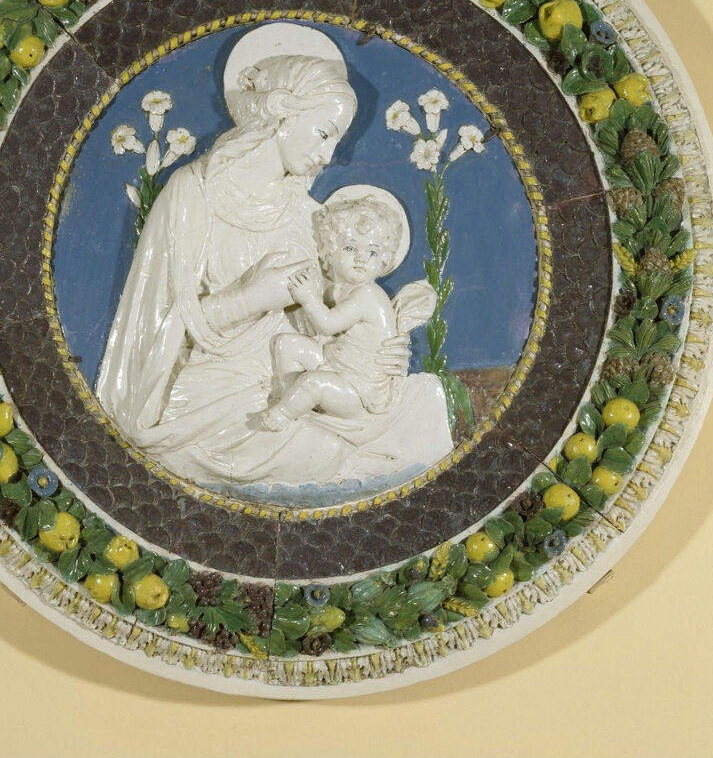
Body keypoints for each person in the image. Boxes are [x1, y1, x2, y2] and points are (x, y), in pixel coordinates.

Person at [95, 24, 452, 493]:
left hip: (294, 373)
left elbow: (330, 316)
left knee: (425, 400)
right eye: (323, 134)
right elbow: (155, 325)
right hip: (210, 383)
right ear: (282, 109)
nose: (328, 155)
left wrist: (381, 342)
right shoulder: (193, 193)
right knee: (317, 450)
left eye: (335, 142)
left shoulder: (310, 216)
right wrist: (250, 298)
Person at [260, 192, 406, 431]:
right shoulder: (348, 289)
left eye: (372, 252)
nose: (361, 259)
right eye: (350, 248)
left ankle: (283, 415)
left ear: (384, 259)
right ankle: (293, 401)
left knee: (313, 382)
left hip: (358, 390)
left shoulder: (368, 294)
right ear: (329, 252)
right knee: (285, 345)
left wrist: (308, 297)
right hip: (336, 363)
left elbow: (327, 325)